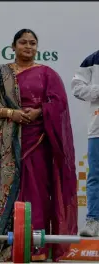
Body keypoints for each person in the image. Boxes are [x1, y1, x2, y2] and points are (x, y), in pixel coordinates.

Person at [0, 29, 78, 262]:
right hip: (5, 145)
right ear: (13, 46)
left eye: (33, 43)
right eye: (23, 42)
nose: (29, 47)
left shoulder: (47, 74)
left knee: (36, 192)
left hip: (37, 142)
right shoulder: (1, 74)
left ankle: (36, 248)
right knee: (4, 193)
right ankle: (4, 247)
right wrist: (12, 113)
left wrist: (39, 112)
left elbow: (59, 105)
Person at [71, 50, 99, 237]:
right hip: (98, 128)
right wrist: (97, 90)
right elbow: (76, 88)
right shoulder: (93, 59)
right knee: (95, 176)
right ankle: (94, 220)